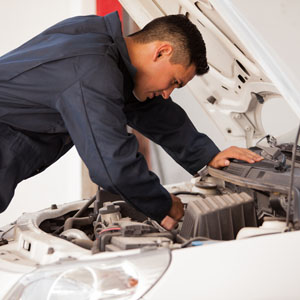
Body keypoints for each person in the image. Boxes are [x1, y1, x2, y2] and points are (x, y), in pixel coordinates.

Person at [0, 12, 262, 229]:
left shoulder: (101, 43)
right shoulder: (91, 73)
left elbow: (153, 110)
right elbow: (112, 165)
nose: (168, 93)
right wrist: (166, 204)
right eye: (173, 81)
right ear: (161, 51)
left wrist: (207, 157)